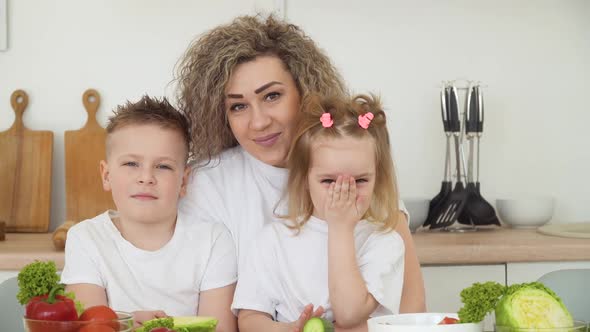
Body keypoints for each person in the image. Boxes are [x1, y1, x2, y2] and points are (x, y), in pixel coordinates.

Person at [176, 14, 425, 315]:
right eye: (238, 106)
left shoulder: (357, 169)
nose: (258, 121)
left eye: (272, 96)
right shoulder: (208, 184)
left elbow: (412, 311)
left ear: (305, 93)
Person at [60, 96, 238, 332]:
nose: (146, 177)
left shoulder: (213, 240)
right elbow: (89, 326)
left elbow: (220, 328)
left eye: (163, 166)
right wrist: (125, 324)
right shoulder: (85, 238)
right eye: (131, 164)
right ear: (106, 175)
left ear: (183, 181)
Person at [232, 94, 405, 332]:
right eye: (328, 181)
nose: (345, 192)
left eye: (360, 180)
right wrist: (290, 329)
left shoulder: (384, 242)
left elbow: (349, 314)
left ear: (378, 179)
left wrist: (341, 228)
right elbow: (250, 319)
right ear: (304, 179)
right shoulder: (272, 240)